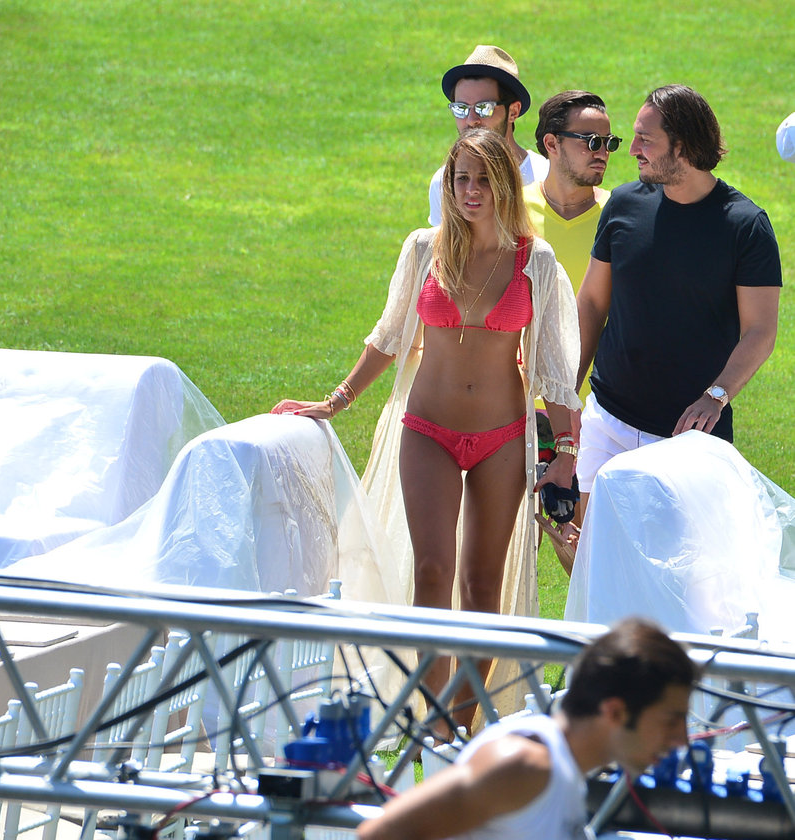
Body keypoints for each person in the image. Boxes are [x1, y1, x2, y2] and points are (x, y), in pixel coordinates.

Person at [273, 128, 580, 731]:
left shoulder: (535, 260)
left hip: (501, 437)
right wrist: (335, 402)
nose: (470, 191)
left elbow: (554, 367)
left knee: (482, 583)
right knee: (433, 572)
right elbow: (388, 337)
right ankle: (432, 723)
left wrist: (565, 450)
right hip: (428, 431)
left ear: (505, 186)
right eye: (460, 179)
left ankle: (461, 725)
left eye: (483, 180)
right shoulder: (423, 249)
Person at [576, 84, 782, 516]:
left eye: (645, 139)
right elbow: (592, 303)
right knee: (587, 544)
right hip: (606, 419)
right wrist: (568, 390)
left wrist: (716, 396)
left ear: (683, 146)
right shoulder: (623, 204)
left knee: (676, 559)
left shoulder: (746, 227)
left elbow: (760, 331)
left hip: (687, 439)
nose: (632, 149)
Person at [357, 617, 698, 840]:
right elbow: (380, 834)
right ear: (616, 712)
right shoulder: (523, 765)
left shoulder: (565, 774)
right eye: (670, 720)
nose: (681, 739)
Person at [523, 91, 620, 571]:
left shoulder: (621, 215)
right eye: (590, 140)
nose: (603, 151)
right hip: (516, 409)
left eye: (609, 142)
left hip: (594, 418)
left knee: (585, 563)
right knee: (504, 560)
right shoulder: (509, 211)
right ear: (551, 144)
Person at [428, 45, 549, 226]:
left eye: (484, 108)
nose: (471, 120)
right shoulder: (444, 182)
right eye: (461, 108)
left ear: (513, 111)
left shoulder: (545, 176)